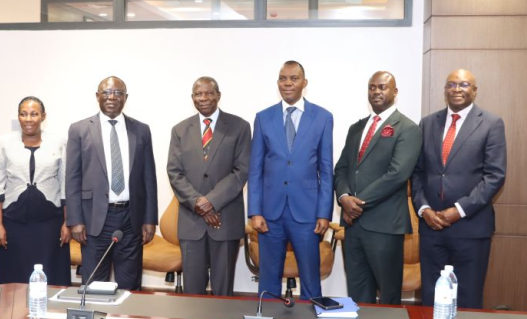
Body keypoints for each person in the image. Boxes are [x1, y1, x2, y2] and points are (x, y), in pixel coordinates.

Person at [411, 69, 506, 309]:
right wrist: (424, 209)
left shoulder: (491, 124)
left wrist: (458, 210)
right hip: (432, 228)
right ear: (445, 91)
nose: (457, 89)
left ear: (474, 90)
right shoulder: (428, 123)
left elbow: (494, 176)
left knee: (468, 298)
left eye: (464, 84)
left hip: (470, 228)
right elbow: (417, 173)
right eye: (451, 84)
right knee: (431, 299)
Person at [333, 71, 421, 305]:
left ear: (395, 92)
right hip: (353, 226)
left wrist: (355, 202)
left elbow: (397, 174)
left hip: (384, 226)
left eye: (382, 87)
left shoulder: (407, 128)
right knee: (358, 294)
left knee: (388, 297)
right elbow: (341, 168)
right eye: (372, 87)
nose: (376, 91)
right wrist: (343, 197)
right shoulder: (356, 128)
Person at [248, 60, 333, 300]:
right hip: (269, 214)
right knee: (268, 279)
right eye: (283, 78)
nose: (288, 83)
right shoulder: (263, 117)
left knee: (310, 279)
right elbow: (255, 169)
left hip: (307, 213)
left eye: (293, 78)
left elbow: (326, 170)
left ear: (304, 83)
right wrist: (255, 211)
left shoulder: (323, 117)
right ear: (278, 83)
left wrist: (324, 213)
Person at [66, 76, 158, 291]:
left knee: (130, 286)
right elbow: (72, 179)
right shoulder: (79, 129)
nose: (112, 97)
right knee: (94, 286)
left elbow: (149, 178)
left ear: (126, 97)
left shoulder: (141, 130)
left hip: (131, 218)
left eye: (118, 93)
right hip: (94, 219)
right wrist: (75, 220)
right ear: (97, 96)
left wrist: (149, 218)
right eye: (106, 92)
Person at [167, 76, 251, 296]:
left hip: (224, 220)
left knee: (223, 292)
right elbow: (174, 173)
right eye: (198, 94)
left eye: (208, 93)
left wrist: (211, 202)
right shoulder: (180, 130)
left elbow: (241, 171)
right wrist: (198, 203)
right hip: (191, 221)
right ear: (192, 98)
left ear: (218, 96)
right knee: (192, 292)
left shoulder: (239, 127)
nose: (203, 98)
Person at [0, 96, 71, 285]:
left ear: (43, 116)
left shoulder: (59, 142)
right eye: (23, 114)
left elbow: (66, 185)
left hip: (50, 225)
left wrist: (67, 222)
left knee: (52, 278)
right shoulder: (4, 142)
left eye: (34, 114)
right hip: (13, 224)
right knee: (14, 279)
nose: (28, 119)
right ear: (18, 117)